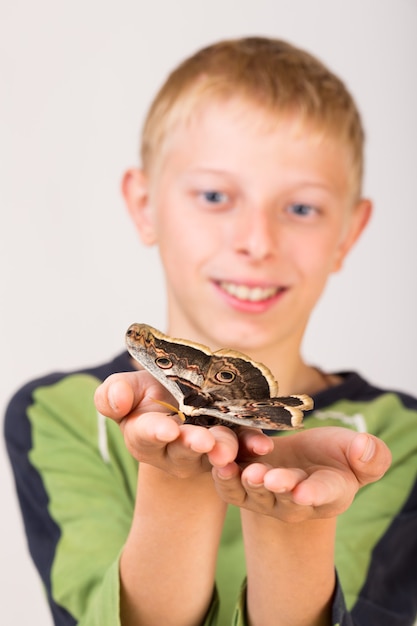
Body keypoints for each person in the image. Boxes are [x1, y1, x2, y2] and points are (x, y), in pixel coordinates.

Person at [4, 36, 417, 626]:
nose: (256, 241)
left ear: (349, 233)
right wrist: (176, 473)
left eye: (300, 208)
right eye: (216, 195)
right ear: (145, 205)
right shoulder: (59, 413)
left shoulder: (400, 439)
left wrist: (293, 522)